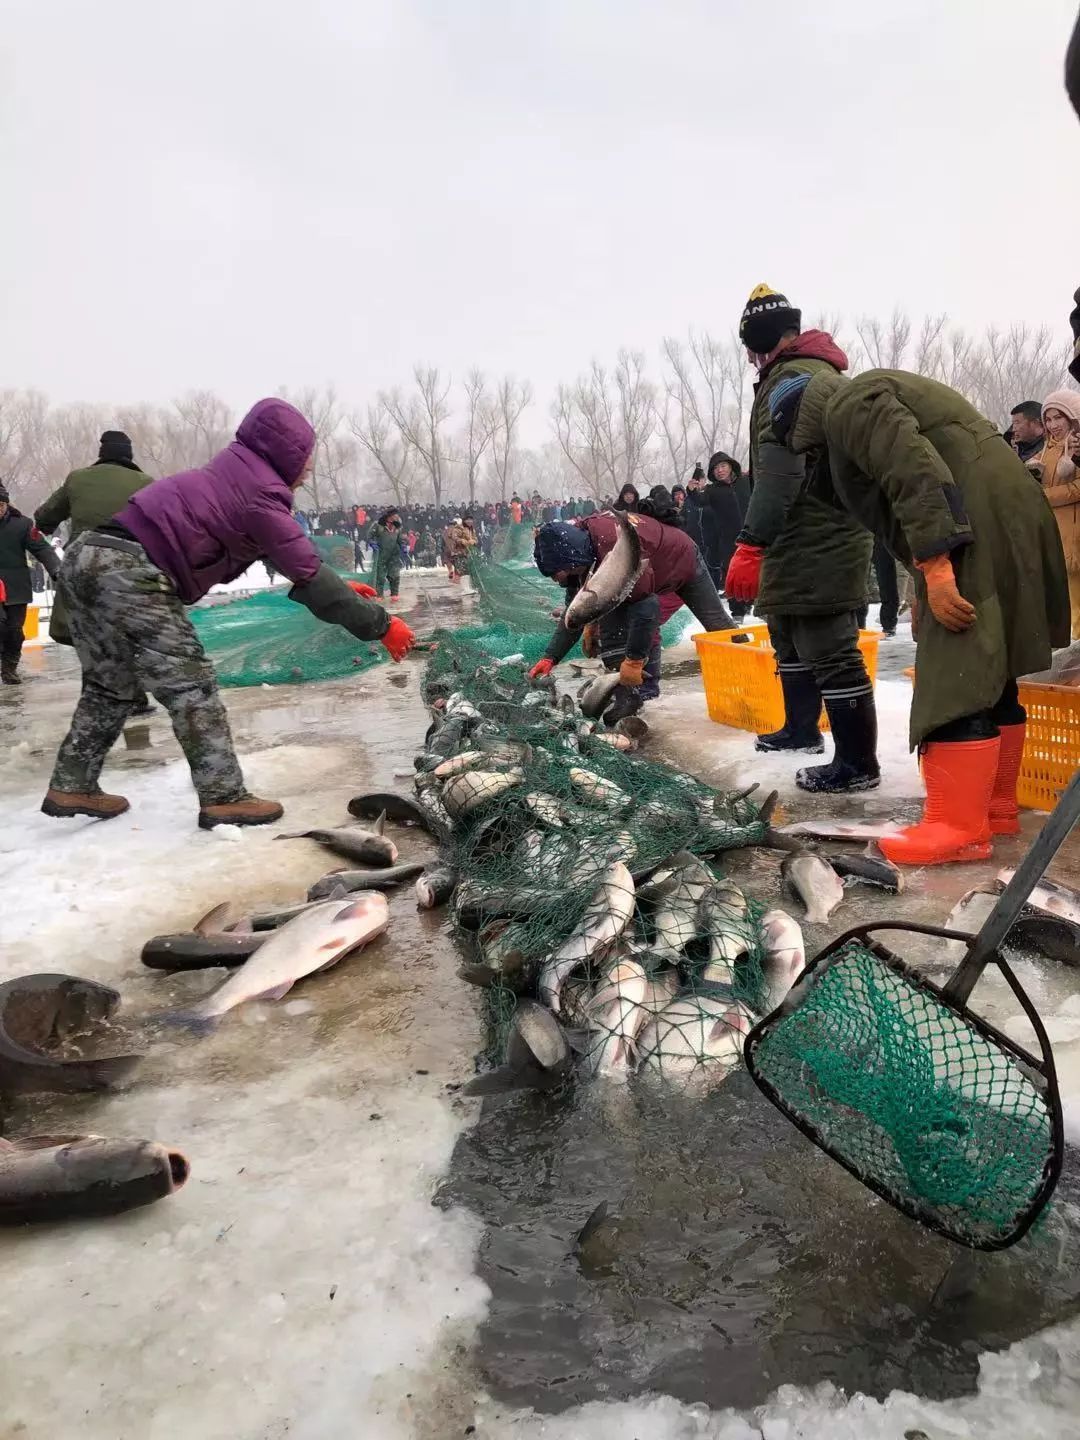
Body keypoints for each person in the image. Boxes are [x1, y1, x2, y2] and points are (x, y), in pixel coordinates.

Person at [42, 398, 415, 828]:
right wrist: (382, 625)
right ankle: (223, 796)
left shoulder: (235, 475)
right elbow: (308, 573)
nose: (309, 468)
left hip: (86, 559)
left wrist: (338, 585)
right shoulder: (260, 494)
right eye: (305, 458)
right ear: (283, 454)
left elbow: (287, 557)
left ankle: (73, 782)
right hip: (130, 570)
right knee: (191, 683)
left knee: (110, 684)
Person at [768, 366, 1069, 865]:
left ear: (799, 424)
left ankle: (957, 827)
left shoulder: (849, 405)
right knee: (994, 670)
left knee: (956, 673)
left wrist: (935, 562)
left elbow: (912, 468)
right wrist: (922, 574)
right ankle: (994, 809)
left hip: (968, 523)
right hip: (1004, 512)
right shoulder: (865, 404)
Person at [725, 286, 876, 793]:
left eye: (750, 345)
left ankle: (858, 762)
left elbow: (781, 471)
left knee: (828, 643)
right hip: (799, 533)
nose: (749, 356)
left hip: (819, 532)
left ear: (764, 342)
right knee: (789, 629)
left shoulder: (795, 378)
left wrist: (751, 542)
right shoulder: (797, 373)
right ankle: (800, 729)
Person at [529, 510, 735, 724]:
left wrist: (634, 661)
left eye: (557, 573)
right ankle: (629, 697)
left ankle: (753, 675)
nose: (557, 580)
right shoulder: (580, 547)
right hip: (647, 571)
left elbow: (647, 608)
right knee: (611, 629)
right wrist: (551, 656)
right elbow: (573, 610)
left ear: (570, 560)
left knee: (718, 625)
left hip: (681, 560)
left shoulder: (617, 551)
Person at [35, 430, 156, 712]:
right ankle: (133, 698)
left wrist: (48, 528)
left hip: (84, 567)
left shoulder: (78, 478)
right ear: (129, 455)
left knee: (89, 634)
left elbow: (44, 516)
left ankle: (100, 700)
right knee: (129, 633)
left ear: (102, 453)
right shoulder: (145, 483)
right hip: (128, 569)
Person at [0, 483, 61, 685]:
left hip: (17, 587)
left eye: (0, 505)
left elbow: (42, 549)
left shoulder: (23, 525)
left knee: (15, 630)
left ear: (6, 505)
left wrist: (56, 570)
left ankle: (9, 668)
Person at [1033, 390, 1080, 638]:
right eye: (1048, 419)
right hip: (1053, 534)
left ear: (1072, 417)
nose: (1053, 425)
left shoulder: (1076, 446)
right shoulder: (1044, 451)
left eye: (1058, 418)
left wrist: (1045, 497)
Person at [702, 452, 752, 622]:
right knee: (732, 574)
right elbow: (698, 500)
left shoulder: (746, 482)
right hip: (728, 540)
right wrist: (692, 491)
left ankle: (754, 604)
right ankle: (737, 611)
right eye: (715, 468)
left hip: (753, 535)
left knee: (757, 570)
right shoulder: (712, 490)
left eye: (723, 466)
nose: (719, 470)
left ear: (731, 466)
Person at [368, 510, 403, 601]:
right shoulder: (378, 525)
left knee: (395, 575)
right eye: (395, 516)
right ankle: (379, 595)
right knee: (380, 576)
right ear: (389, 516)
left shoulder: (397, 527)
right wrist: (372, 543)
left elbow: (400, 540)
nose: (397, 517)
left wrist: (403, 547)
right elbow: (369, 536)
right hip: (381, 554)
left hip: (394, 555)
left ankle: (394, 595)